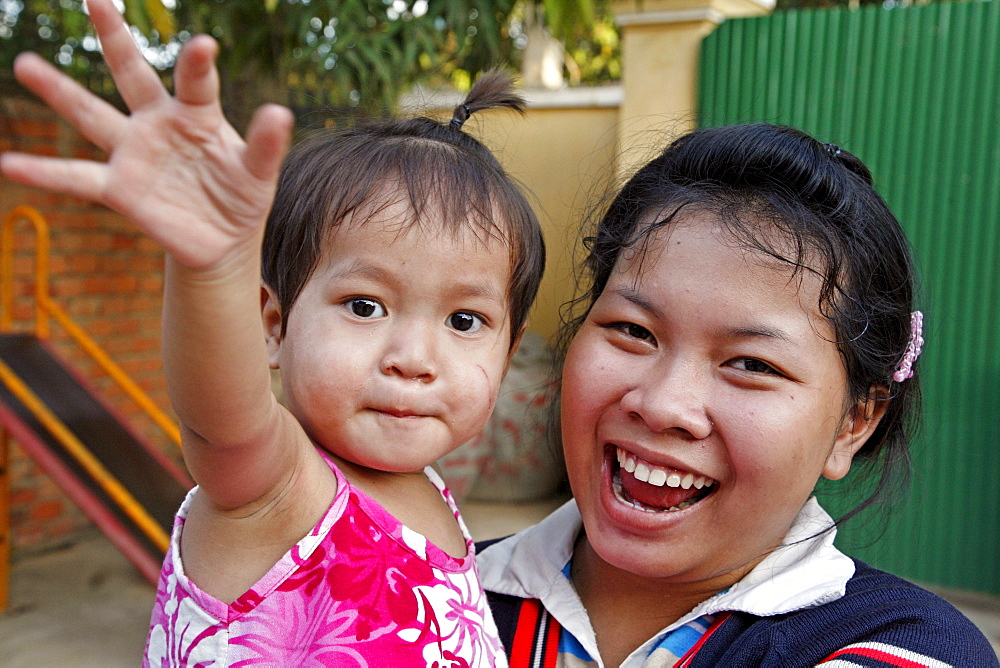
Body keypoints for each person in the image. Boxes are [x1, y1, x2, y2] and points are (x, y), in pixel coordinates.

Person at [0, 0, 544, 665]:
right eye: (365, 306)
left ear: (509, 350)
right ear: (272, 325)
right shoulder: (274, 486)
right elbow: (223, 418)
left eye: (465, 320)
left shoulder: (425, 489)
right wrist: (211, 267)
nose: (413, 359)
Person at [477, 123, 999, 667]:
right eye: (635, 330)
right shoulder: (426, 593)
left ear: (853, 424)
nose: (662, 406)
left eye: (752, 364)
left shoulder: (902, 649)